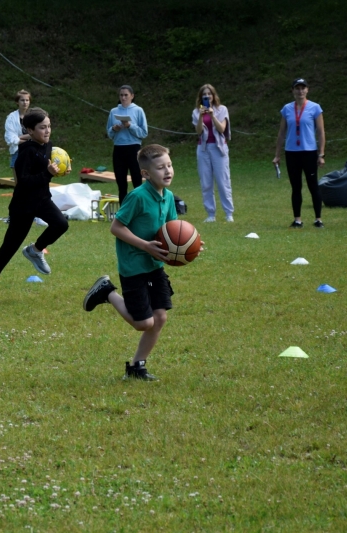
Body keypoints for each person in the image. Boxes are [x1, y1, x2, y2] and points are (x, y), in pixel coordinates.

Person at [82, 144, 186, 381]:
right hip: (134, 267)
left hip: (155, 266)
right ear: (146, 174)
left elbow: (172, 231)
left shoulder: (168, 197)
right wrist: (145, 245)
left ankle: (137, 366)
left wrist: (188, 246)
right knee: (143, 323)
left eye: (169, 165)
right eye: (161, 168)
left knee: (159, 318)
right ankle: (107, 291)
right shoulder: (137, 196)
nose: (167, 171)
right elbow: (116, 227)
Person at [0, 108, 70, 302]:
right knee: (9, 248)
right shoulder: (25, 152)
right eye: (42, 127)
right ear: (30, 129)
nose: (47, 131)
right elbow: (24, 182)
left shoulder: (48, 146)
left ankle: (35, 250)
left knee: (61, 224)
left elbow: (49, 167)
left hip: (42, 200)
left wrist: (60, 170)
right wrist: (48, 174)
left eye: (49, 126)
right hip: (23, 204)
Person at [273, 78, 326, 228]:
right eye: (297, 88)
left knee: (313, 185)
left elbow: (321, 132)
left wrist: (321, 154)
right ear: (293, 91)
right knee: (296, 186)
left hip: (309, 151)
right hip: (292, 152)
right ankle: (297, 219)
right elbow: (281, 133)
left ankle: (318, 219)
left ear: (307, 90)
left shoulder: (315, 108)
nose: (300, 91)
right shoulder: (287, 109)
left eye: (303, 88)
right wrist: (277, 154)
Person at [192, 84, 233, 222]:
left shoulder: (222, 110)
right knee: (206, 182)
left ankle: (228, 213)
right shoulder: (196, 112)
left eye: (210, 94)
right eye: (204, 94)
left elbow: (221, 129)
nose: (207, 96)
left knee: (223, 181)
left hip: (219, 148)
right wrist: (201, 117)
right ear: (201, 97)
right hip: (203, 149)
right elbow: (198, 131)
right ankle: (211, 214)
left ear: (214, 96)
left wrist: (212, 115)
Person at [106, 85, 148, 205]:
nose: (123, 98)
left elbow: (143, 133)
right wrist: (114, 129)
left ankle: (139, 208)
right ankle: (123, 213)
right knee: (121, 182)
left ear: (132, 96)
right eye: (121, 95)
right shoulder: (114, 111)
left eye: (126, 95)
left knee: (137, 180)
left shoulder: (138, 110)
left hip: (134, 148)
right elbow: (109, 133)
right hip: (119, 149)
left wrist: (130, 126)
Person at [4, 90, 32, 179]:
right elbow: (10, 138)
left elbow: (38, 134)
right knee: (18, 182)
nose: (25, 103)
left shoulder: (34, 115)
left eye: (27, 100)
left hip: (33, 150)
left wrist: (20, 137)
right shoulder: (11, 118)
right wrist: (28, 138)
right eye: (22, 100)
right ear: (17, 102)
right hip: (18, 150)